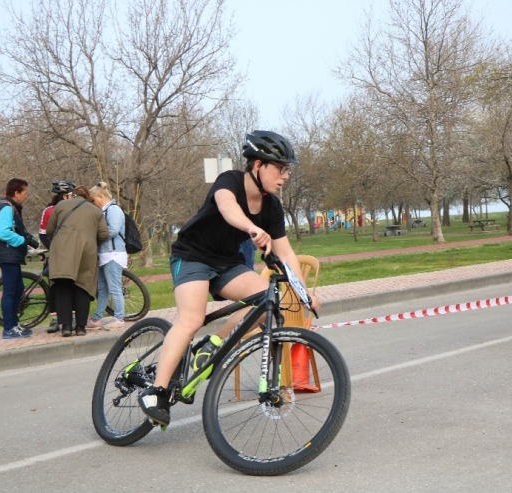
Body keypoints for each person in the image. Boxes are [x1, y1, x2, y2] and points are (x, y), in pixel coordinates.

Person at [138, 130, 321, 426]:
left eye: (288, 169)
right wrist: (251, 228)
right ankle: (156, 392)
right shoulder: (230, 181)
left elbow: (286, 254)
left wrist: (304, 293)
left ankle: (213, 343)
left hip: (227, 264)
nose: (285, 175)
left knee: (268, 298)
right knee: (191, 319)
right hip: (193, 256)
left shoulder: (272, 206)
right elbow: (227, 207)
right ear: (258, 166)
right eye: (280, 168)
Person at [46, 186, 109, 337]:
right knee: (83, 288)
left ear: (72, 195)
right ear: (87, 197)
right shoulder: (96, 211)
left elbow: (49, 230)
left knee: (63, 287)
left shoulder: (61, 205)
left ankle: (66, 327)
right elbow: (104, 234)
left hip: (62, 251)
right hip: (87, 251)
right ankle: (81, 327)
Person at [0, 178, 40, 339]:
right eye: (24, 193)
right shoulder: (6, 208)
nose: (26, 196)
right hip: (7, 255)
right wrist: (22, 241)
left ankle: (14, 325)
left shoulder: (7, 206)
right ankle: (8, 328)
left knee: (18, 290)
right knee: (11, 292)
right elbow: (3, 232)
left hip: (9, 255)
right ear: (16, 193)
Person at [87, 182, 128, 330]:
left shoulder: (114, 209)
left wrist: (95, 237)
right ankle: (97, 318)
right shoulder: (103, 211)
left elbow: (113, 230)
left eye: (93, 200)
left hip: (114, 254)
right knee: (103, 288)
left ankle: (119, 317)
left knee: (114, 287)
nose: (93, 203)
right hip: (104, 254)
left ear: (100, 196)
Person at [39, 179, 77, 333]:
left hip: (71, 251)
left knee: (72, 285)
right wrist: (53, 250)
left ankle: (72, 316)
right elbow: (43, 234)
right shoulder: (49, 210)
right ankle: (55, 318)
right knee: (55, 286)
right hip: (57, 252)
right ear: (64, 195)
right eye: (70, 194)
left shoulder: (74, 209)